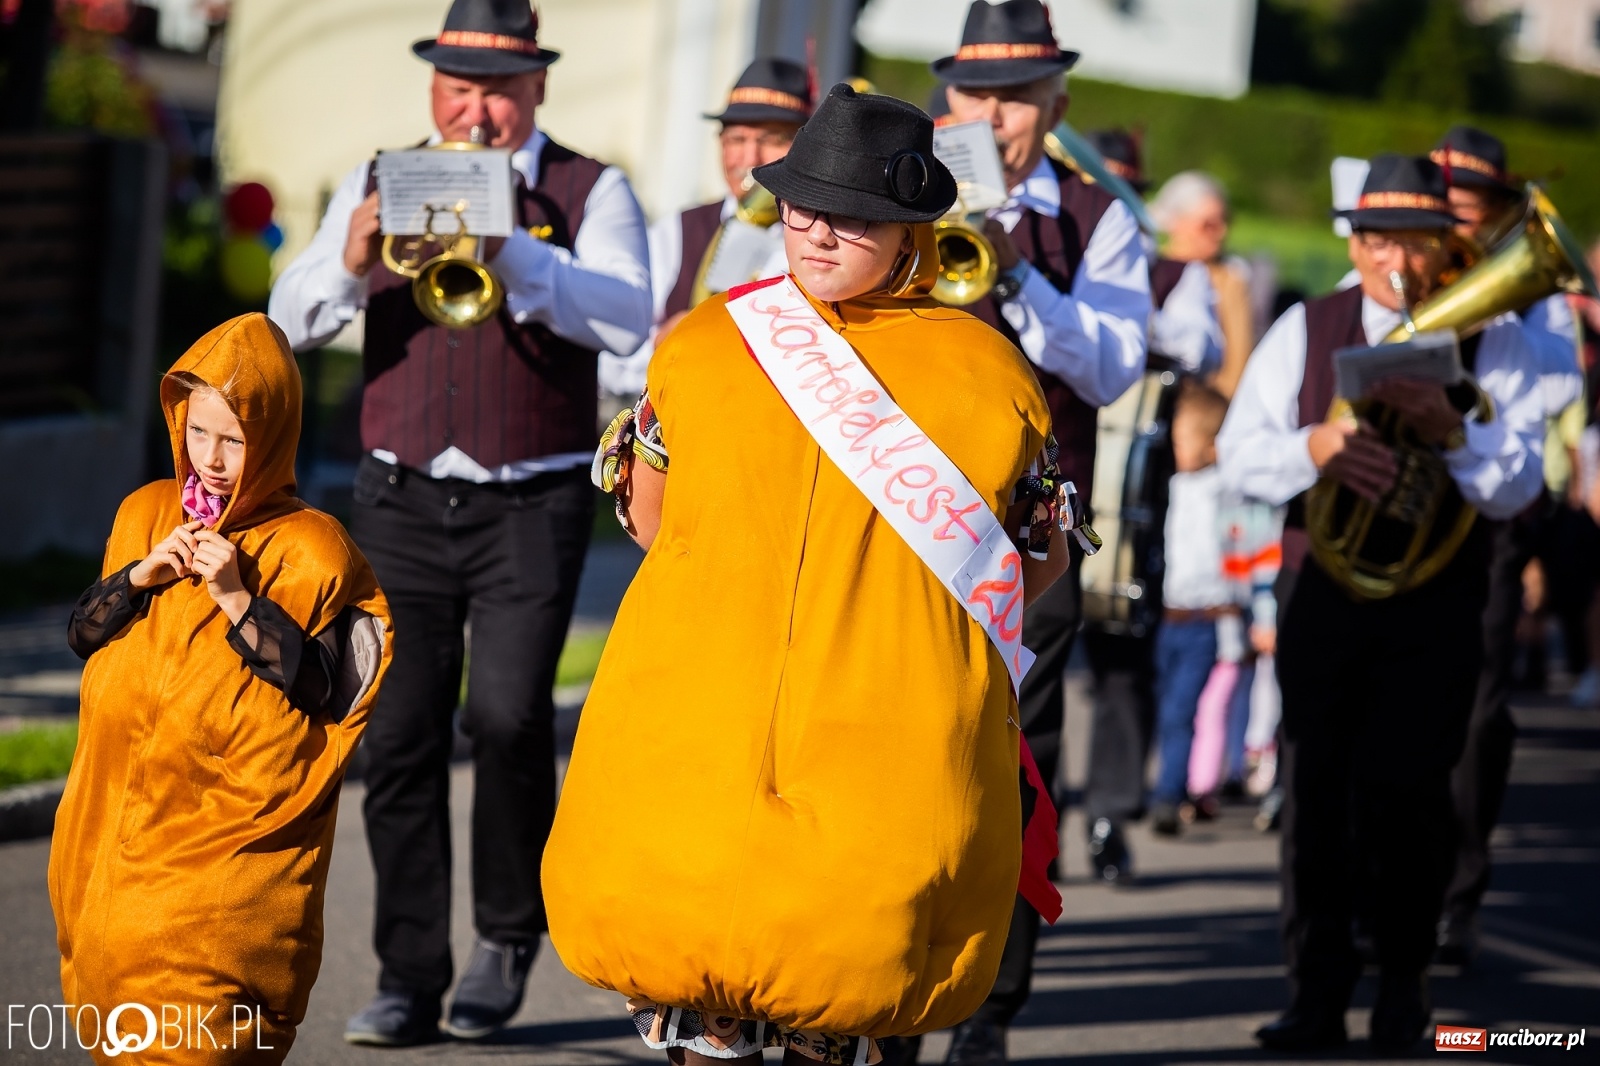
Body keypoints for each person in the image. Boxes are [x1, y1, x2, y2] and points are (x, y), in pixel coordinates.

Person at [541, 83, 1072, 1066]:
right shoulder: (987, 370)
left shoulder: (704, 339)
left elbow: (649, 521)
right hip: (797, 717)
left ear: (911, 227)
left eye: (854, 215)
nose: (818, 232)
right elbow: (1036, 565)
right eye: (801, 206)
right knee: (814, 981)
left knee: (731, 974)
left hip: (797, 715)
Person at [267, 0, 651, 1045]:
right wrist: (350, 255)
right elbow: (285, 318)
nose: (475, 109)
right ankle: (407, 970)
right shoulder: (381, 171)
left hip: (532, 492)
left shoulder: (588, 188)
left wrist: (515, 257)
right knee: (394, 731)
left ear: (537, 90)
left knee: (512, 719)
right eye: (457, 86)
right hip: (398, 494)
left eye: (497, 88)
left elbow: (629, 319)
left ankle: (505, 937)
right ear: (433, 88)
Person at [1217, 154, 1544, 1054]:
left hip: (1437, 605)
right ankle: (1314, 993)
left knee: (1412, 800)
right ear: (1352, 243)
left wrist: (1457, 430)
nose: (1393, 259)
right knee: (1314, 793)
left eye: (1415, 240)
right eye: (1375, 239)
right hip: (1325, 591)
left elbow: (1518, 491)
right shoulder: (1306, 326)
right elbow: (1238, 453)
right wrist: (1317, 445)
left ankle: (1405, 990)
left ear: (1446, 249)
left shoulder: (1497, 336)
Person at [50, 313, 392, 1064]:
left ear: (272, 437)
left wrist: (237, 595)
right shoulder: (145, 513)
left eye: (234, 440)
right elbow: (83, 635)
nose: (210, 460)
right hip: (112, 854)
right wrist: (143, 575)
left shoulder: (315, 549)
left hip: (227, 877)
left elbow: (329, 694)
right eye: (198, 432)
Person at [930, 7, 1160, 1059]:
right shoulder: (906, 188)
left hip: (1031, 532)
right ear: (946, 102)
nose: (993, 115)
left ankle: (992, 998)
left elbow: (1112, 368)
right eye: (976, 95)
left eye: (1017, 97)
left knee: (1010, 759)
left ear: (1054, 108)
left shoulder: (1094, 219)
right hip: (907, 513)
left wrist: (1018, 274)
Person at [1427, 124, 1584, 967]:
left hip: (1491, 521)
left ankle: (1460, 892)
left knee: (1479, 709)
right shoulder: (1399, 258)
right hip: (1400, 505)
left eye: (1468, 201)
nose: (1453, 212)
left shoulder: (1532, 290)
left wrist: (1496, 313)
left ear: (1495, 210)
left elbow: (1563, 376)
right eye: (1442, 195)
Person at [1145, 380, 1234, 834]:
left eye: (1182, 440)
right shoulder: (1167, 486)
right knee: (1161, 707)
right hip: (1166, 617)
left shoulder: (1225, 490)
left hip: (1204, 621)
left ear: (1212, 446)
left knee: (1182, 711)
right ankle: (1159, 786)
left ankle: (1168, 795)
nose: (1172, 446)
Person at [1147, 169, 1257, 397]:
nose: (1222, 232)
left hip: (1202, 404)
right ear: (1175, 222)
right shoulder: (1149, 266)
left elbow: (1237, 369)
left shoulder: (1229, 279)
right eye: (1209, 224)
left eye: (1225, 221)